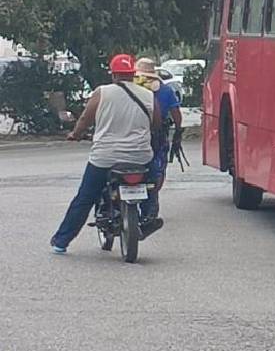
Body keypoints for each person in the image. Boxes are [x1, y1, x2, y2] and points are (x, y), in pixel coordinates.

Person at [51, 54, 162, 254]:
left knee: (85, 198)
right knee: (152, 185)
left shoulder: (102, 93)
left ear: (114, 75)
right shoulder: (148, 96)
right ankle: (147, 217)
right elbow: (156, 124)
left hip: (105, 158)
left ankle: (61, 241)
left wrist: (75, 134)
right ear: (132, 74)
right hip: (140, 157)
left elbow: (85, 118)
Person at [134, 58, 183, 222]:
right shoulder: (165, 90)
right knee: (158, 167)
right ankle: (152, 195)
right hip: (157, 134)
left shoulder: (131, 89)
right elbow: (176, 115)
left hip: (132, 133)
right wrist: (177, 132)